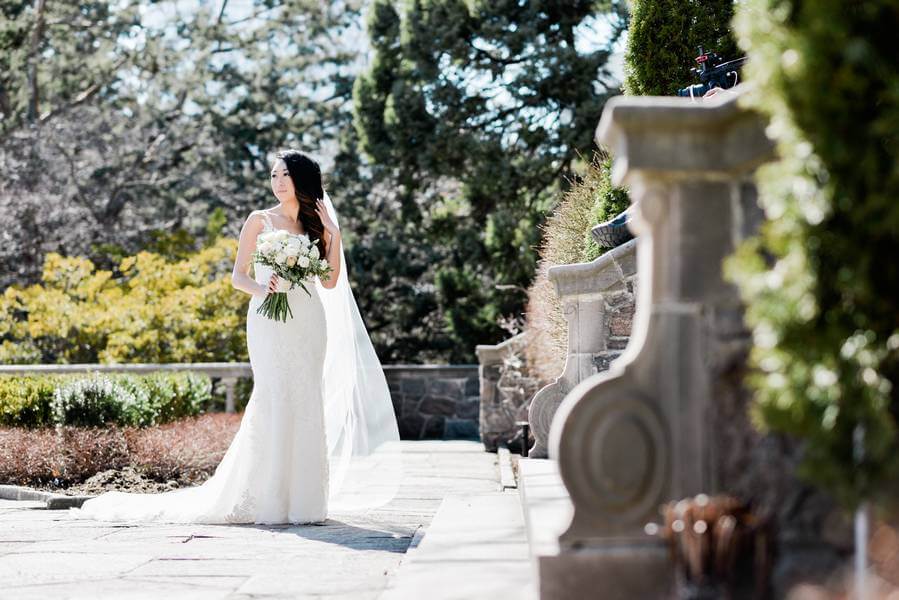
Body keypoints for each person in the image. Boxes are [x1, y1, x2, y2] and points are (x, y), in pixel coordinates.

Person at [67, 149, 401, 525]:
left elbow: (330, 281)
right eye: (273, 176)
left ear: (301, 180)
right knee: (273, 395)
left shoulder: (314, 227)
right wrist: (264, 289)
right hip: (268, 320)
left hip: (308, 321)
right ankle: (267, 497)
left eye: (284, 176)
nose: (277, 183)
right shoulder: (260, 221)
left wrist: (333, 235)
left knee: (306, 397)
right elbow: (237, 276)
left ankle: (304, 502)